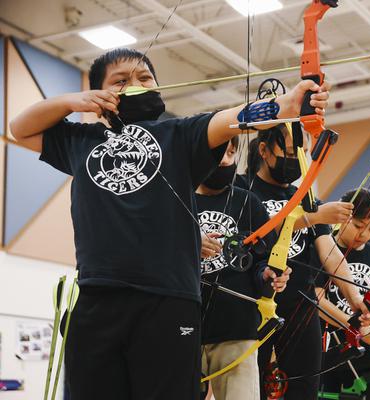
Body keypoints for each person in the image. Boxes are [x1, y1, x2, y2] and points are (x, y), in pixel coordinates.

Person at [9, 47, 331, 400]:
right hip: (98, 297)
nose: (136, 84)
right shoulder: (79, 141)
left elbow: (232, 118)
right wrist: (72, 101)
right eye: (121, 81)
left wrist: (287, 106)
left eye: (145, 78)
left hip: (168, 300)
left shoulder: (180, 134)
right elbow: (19, 128)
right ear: (100, 94)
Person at [237, 125, 370, 400]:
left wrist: (355, 297)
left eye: (302, 153)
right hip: (252, 303)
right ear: (264, 151)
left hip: (299, 304)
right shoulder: (241, 189)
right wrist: (311, 217)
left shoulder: (305, 197)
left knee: (304, 388)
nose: (296, 160)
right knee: (250, 387)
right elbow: (254, 233)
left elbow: (330, 253)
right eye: (289, 152)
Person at [196, 137, 291, 400]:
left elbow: (264, 261)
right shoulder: (175, 200)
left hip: (236, 330)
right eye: (218, 153)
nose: (225, 160)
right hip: (182, 328)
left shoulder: (248, 203)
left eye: (230, 152)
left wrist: (270, 276)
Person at [315, 189, 370, 400]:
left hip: (366, 354)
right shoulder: (324, 246)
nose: (364, 234)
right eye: (359, 226)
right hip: (330, 351)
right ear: (343, 218)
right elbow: (318, 300)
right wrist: (356, 328)